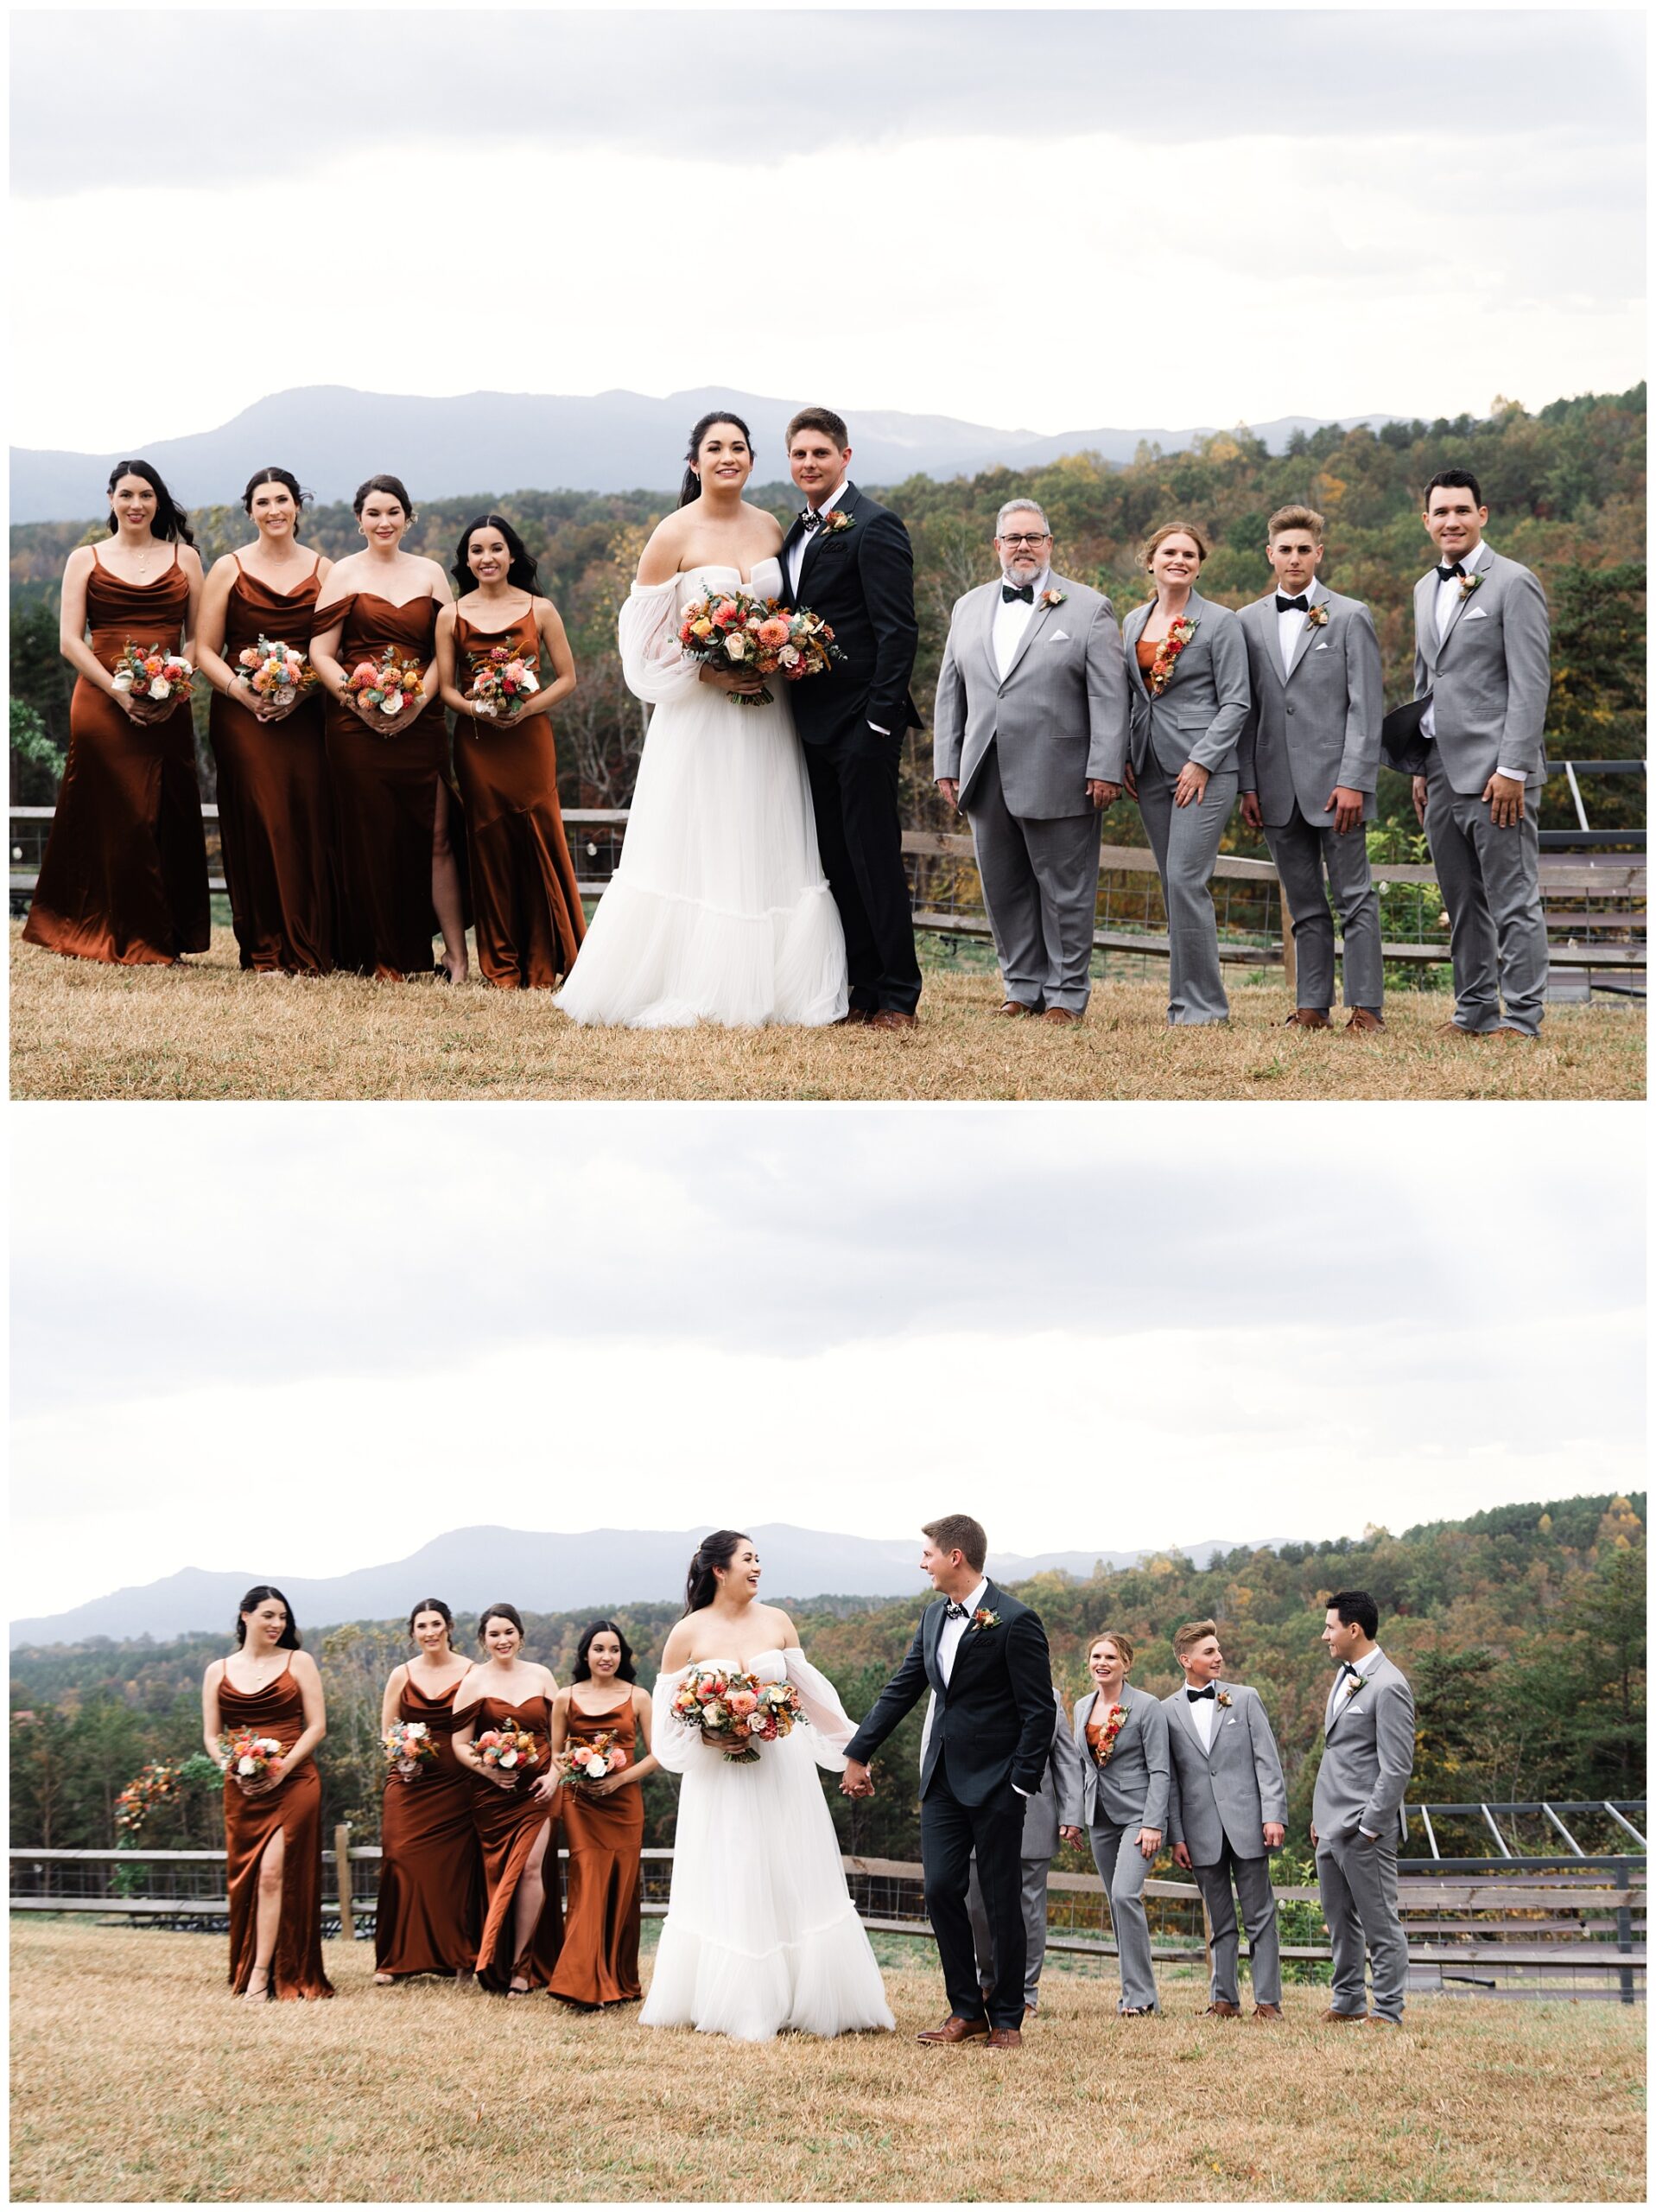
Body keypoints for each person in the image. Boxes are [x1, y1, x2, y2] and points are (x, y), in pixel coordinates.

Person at [553, 412, 847, 1027]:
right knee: (702, 833)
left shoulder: (772, 527)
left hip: (767, 716)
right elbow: (641, 649)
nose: (726, 456)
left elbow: (792, 613)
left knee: (762, 828)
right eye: (714, 448)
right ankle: (690, 979)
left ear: (750, 459)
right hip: (700, 718)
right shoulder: (671, 534)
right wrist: (708, 672)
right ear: (695, 463)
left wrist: (778, 651)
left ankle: (777, 985)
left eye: (737, 447)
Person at [644, 1530, 894, 2041]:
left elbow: (810, 1697)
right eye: (748, 1559)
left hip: (782, 1767)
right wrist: (711, 1736)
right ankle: (742, 2000)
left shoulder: (777, 1621)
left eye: (760, 1558)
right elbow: (668, 1723)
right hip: (721, 1782)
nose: (757, 1567)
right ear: (719, 1569)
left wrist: (855, 1749)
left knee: (789, 1866)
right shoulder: (686, 1633)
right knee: (734, 1869)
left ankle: (809, 1995)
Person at [842, 1515, 1053, 2050]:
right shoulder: (934, 1615)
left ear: (955, 1556)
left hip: (999, 1785)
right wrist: (859, 1752)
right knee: (939, 1890)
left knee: (1003, 1900)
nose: (922, 1562)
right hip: (940, 1780)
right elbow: (903, 1687)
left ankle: (1006, 2016)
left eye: (928, 1553)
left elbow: (1039, 1712)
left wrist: (1021, 1785)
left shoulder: (1015, 1620)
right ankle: (966, 2008)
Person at [933, 499, 1128, 1024]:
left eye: (1033, 537)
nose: (1023, 546)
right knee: (1003, 887)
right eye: (1013, 538)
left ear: (1049, 544)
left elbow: (1110, 698)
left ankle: (1065, 995)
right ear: (997, 546)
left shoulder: (1089, 607)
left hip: (1062, 772)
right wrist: (946, 764)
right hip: (984, 767)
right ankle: (1021, 988)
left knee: (1066, 890)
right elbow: (951, 690)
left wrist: (1106, 766)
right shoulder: (967, 606)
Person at [22, 461, 209, 966]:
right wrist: (118, 691)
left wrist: (173, 687)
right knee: (112, 811)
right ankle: (95, 927)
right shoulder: (84, 558)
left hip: (170, 701)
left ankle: (160, 934)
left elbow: (198, 640)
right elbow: (69, 640)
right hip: (101, 700)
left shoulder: (185, 557)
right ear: (111, 499)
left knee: (159, 810)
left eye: (146, 495)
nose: (136, 505)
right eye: (126, 494)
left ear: (158, 501)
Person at [777, 406, 924, 1029]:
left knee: (874, 858)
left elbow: (898, 633)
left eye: (820, 453)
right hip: (808, 722)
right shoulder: (795, 530)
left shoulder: (875, 525)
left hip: (863, 723)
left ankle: (897, 993)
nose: (809, 463)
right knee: (835, 860)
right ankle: (860, 989)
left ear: (844, 457)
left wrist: (880, 724)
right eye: (799, 455)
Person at [1406, 469, 1551, 1039]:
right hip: (1440, 770)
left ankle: (1520, 1018)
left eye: (1461, 510)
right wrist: (1419, 764)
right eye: (1440, 512)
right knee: (1460, 900)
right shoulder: (1423, 587)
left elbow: (1530, 682)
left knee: (1511, 899)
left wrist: (1512, 767)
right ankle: (1471, 1013)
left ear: (1481, 515)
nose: (1451, 521)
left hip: (1498, 772)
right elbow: (1425, 680)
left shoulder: (1513, 583)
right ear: (1426, 521)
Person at [308, 474, 467, 982]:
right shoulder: (342, 574)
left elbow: (447, 652)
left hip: (421, 721)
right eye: (374, 513)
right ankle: (378, 954)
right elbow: (320, 653)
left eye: (393, 512)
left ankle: (456, 956)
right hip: (356, 725)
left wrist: (418, 703)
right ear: (359, 520)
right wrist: (358, 702)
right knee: (367, 834)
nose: (384, 522)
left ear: (408, 519)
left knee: (437, 834)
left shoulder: (430, 573)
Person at [1237, 505, 1385, 1033]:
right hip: (1274, 787)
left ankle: (1367, 1008)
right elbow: (1244, 708)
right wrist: (1248, 784)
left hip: (1335, 786)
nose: (1295, 558)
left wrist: (1354, 781)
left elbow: (1366, 709)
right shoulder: (1246, 621)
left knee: (1355, 898)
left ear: (1318, 553)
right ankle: (1311, 1007)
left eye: (1305, 549)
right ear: (1270, 554)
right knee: (1304, 903)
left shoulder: (1349, 615)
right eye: (1286, 549)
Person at [194, 467, 335, 975]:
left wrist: (301, 695)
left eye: (283, 499)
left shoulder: (326, 570)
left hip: (306, 715)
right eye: (263, 502)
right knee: (259, 819)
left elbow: (333, 653)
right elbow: (205, 650)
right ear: (250, 510)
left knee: (308, 820)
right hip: (242, 716)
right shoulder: (228, 569)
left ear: (298, 505)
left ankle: (313, 943)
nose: (274, 509)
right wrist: (241, 691)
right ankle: (265, 947)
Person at [435, 513, 586, 989]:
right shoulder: (451, 615)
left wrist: (525, 710)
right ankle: (501, 961)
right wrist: (478, 711)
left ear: (513, 554)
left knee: (539, 833)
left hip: (530, 738)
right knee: (490, 842)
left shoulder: (540, 609)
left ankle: (551, 954)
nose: (487, 558)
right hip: (477, 744)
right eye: (476, 551)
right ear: (466, 560)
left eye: (496, 548)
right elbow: (444, 689)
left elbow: (567, 678)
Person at [1120, 523, 1250, 1024]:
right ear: (1151, 561)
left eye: (1189, 554)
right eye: (1170, 552)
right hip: (1150, 767)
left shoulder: (1220, 623)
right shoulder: (1133, 621)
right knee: (1172, 885)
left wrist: (1203, 761)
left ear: (1199, 564)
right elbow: (1133, 697)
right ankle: (1185, 1002)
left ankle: (1203, 1007)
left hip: (1204, 770)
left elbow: (1237, 701)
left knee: (1185, 879)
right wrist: (1125, 757)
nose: (1180, 559)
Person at [200, 1585, 332, 2002]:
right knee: (248, 1880)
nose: (277, 1625)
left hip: (294, 1780)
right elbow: (211, 1735)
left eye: (283, 1618)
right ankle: (251, 1962)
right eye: (268, 1616)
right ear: (245, 1616)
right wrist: (231, 1768)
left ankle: (263, 1974)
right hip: (241, 1785)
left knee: (275, 1874)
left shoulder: (300, 1662)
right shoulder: (217, 1670)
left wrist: (282, 1768)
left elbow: (317, 1727)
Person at [1159, 1619, 1287, 2021]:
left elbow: (1268, 1763)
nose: (1219, 1657)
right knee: (1219, 1920)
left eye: (1218, 1650)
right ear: (1187, 1660)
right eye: (1209, 1652)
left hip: (1250, 1825)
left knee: (1260, 1916)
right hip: (1199, 1833)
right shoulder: (1166, 1711)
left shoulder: (1245, 1698)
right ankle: (1224, 2001)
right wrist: (1177, 1837)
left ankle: (1268, 2003)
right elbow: (1172, 1782)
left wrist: (1273, 1816)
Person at [1310, 1590, 1416, 2027]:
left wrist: (1370, 1827)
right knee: (1339, 1920)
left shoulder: (1390, 1686)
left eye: (1330, 1627)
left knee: (1379, 1922)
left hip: (1363, 1828)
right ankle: (1348, 2001)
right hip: (1329, 1824)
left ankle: (1388, 2009)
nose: (1324, 1636)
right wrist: (1319, 1818)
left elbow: (1396, 1768)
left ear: (1354, 1629)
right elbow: (1337, 1753)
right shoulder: (1344, 1675)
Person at [547, 1619, 658, 2008]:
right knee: (588, 1880)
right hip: (580, 1804)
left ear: (623, 1656)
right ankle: (580, 1983)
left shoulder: (640, 1697)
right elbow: (556, 1753)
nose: (606, 1656)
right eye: (598, 1649)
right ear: (585, 1654)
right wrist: (576, 1771)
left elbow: (658, 1754)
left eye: (614, 1650)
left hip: (624, 1803)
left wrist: (618, 1779)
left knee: (622, 1888)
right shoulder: (565, 1697)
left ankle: (618, 1981)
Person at [453, 1603, 562, 1995]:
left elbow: (561, 1735)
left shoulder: (542, 1675)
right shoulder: (473, 1681)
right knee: (499, 1875)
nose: (503, 1640)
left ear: (520, 1635)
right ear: (483, 1640)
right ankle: (492, 1957)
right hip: (492, 1795)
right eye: (494, 1634)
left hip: (539, 1791)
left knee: (532, 1868)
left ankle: (522, 1966)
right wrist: (488, 1769)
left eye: (509, 1632)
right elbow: (459, 1743)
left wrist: (555, 1775)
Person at [1057, 1631, 1169, 2016]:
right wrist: (1072, 1818)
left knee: (1125, 1895)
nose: (1101, 1663)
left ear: (1126, 1664)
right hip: (1099, 1818)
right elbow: (1076, 1767)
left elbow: (1160, 1770)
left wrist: (1153, 1823)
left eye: (1110, 1657)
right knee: (1115, 1903)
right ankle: (1134, 1994)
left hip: (1139, 1817)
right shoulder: (1083, 1704)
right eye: (1095, 1656)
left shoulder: (1147, 1706)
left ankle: (1141, 1998)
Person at [373, 1598, 482, 1985]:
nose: (430, 1632)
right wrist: (402, 1753)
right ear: (413, 1633)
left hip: (458, 1782)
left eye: (437, 1623)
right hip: (409, 1781)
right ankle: (395, 1959)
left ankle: (460, 1957)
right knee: (400, 1857)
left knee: (455, 1869)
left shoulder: (472, 1671)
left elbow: (482, 1725)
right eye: (422, 1626)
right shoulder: (400, 1675)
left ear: (450, 1626)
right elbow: (387, 1732)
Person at [962, 1683, 1083, 2020]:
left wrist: (1072, 1814)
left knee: (1028, 1908)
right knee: (978, 1906)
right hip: (977, 1812)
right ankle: (987, 1982)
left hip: (1035, 1815)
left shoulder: (1052, 1697)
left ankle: (1025, 1991)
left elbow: (1066, 1760)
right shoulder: (971, 1684)